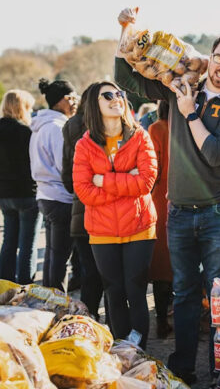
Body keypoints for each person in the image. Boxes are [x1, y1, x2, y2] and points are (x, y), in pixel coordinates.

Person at [114, 8, 220, 384]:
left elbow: (213, 153)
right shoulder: (183, 82)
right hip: (179, 211)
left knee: (219, 294)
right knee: (184, 293)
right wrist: (125, 31)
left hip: (219, 212)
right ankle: (183, 368)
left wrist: (189, 112)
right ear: (210, 57)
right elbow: (124, 78)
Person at [73, 81, 158, 348]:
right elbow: (84, 191)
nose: (116, 98)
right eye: (107, 95)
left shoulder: (140, 136)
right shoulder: (84, 145)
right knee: (114, 291)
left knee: (136, 289)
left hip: (139, 226)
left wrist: (105, 180)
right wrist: (124, 180)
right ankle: (122, 348)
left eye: (119, 94)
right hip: (102, 231)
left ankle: (140, 349)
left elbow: (145, 182)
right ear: (94, 105)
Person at [30, 78, 79, 292]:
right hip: (60, 196)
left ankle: (48, 299)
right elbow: (64, 165)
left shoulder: (40, 125)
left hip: (45, 194)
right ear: (61, 101)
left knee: (52, 254)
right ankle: (57, 302)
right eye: (72, 98)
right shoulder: (58, 127)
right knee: (60, 257)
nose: (75, 102)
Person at [62, 86, 106, 320]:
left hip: (79, 209)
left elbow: (66, 176)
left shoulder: (70, 127)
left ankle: (87, 322)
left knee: (90, 272)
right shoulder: (104, 130)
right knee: (107, 274)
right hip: (105, 211)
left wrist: (80, 191)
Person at [0, 90, 42, 284]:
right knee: (28, 244)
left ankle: (4, 283)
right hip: (27, 191)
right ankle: (25, 286)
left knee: (9, 241)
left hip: (4, 191)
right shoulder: (26, 132)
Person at [148, 99, 173, 338]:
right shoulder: (188, 127)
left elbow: (152, 170)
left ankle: (161, 319)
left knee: (161, 265)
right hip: (187, 195)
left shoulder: (157, 128)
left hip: (161, 199)